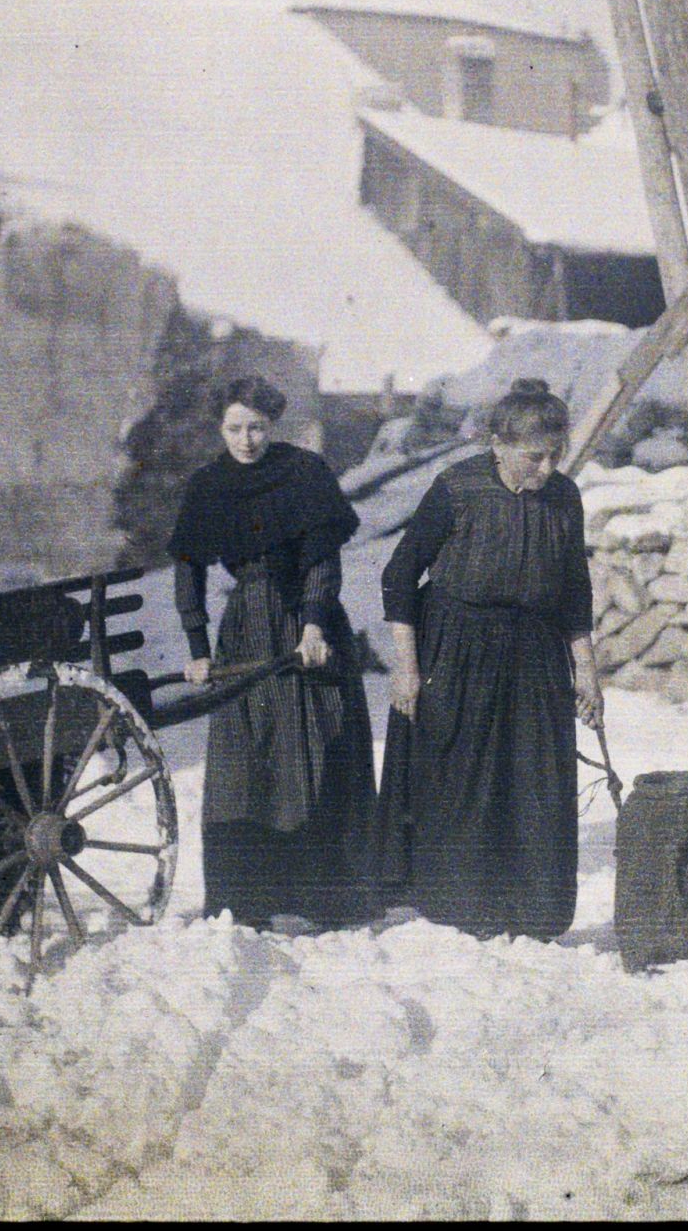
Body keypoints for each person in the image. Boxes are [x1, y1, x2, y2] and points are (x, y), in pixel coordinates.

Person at [374, 378, 604, 941]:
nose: (547, 468)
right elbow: (400, 575)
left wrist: (586, 671)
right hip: (458, 647)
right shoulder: (458, 487)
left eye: (555, 455)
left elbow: (574, 589)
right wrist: (407, 667)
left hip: (534, 653)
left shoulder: (564, 497)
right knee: (462, 777)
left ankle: (530, 912)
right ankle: (456, 907)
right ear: (498, 445)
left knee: (531, 779)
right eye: (534, 457)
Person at [171, 376, 376, 929]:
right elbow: (188, 568)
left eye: (257, 428)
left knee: (319, 745)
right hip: (246, 628)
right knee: (248, 760)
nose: (246, 440)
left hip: (309, 624)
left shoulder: (304, 473)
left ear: (273, 425)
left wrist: (313, 626)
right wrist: (198, 648)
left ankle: (328, 898)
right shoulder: (209, 485)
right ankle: (250, 900)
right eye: (234, 429)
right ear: (220, 428)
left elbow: (323, 561)